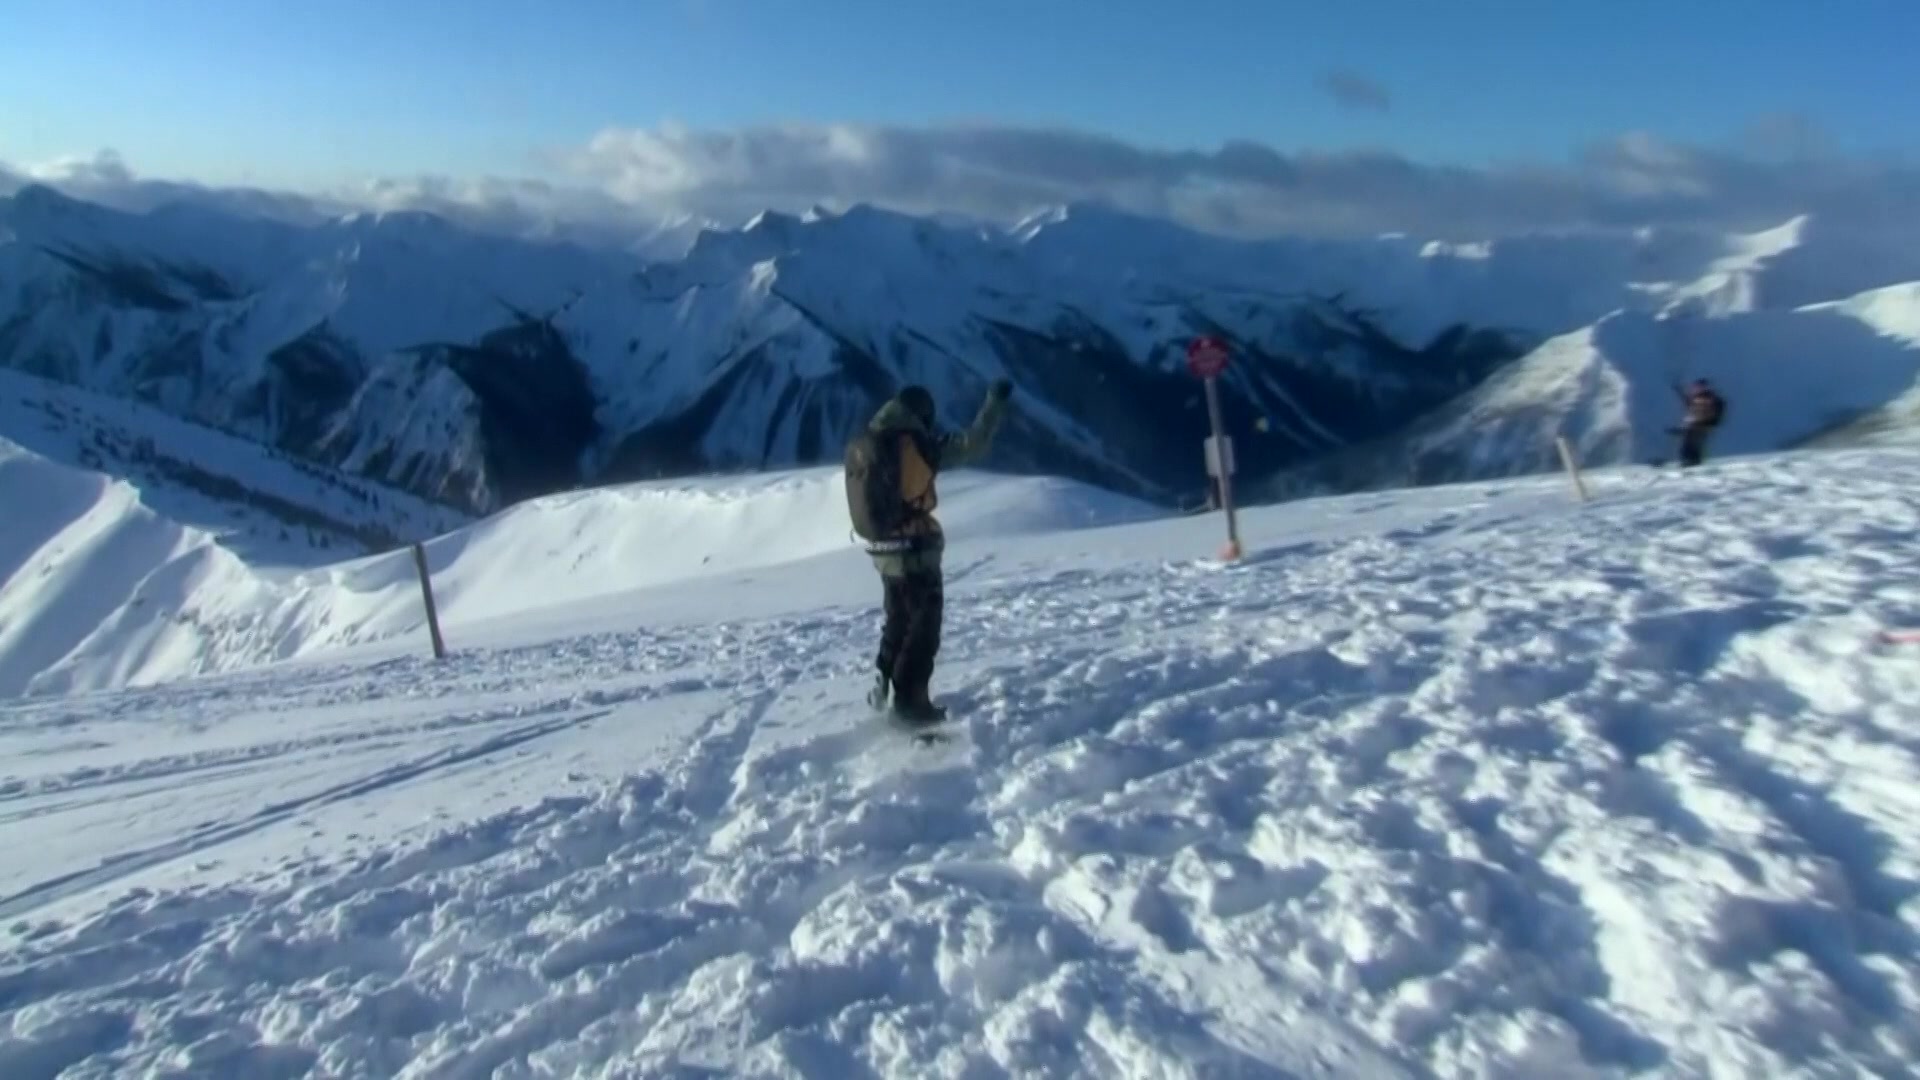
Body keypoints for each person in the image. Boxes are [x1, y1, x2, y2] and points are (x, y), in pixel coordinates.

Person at [847, 379, 1013, 722]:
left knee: (898, 618)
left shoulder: (872, 441)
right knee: (924, 623)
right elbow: (973, 445)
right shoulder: (916, 444)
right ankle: (910, 702)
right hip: (914, 550)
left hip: (883, 550)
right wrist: (994, 402)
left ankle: (884, 681)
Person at [1673, 377, 1726, 468]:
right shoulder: (1695, 398)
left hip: (1703, 424)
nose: (1697, 389)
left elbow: (1716, 411)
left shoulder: (1711, 399)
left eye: (1699, 387)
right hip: (1693, 424)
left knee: (1694, 442)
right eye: (1696, 387)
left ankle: (1694, 461)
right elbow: (1688, 404)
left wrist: (1712, 422)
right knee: (1688, 442)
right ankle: (1688, 460)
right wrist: (1679, 391)